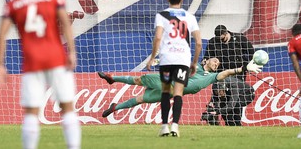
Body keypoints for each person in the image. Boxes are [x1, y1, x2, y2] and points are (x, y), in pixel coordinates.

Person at [0, 0, 80, 149]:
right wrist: (72, 52)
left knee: (31, 113)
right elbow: (65, 24)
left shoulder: (14, 3)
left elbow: (1, 35)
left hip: (32, 62)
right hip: (57, 58)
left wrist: (0, 64)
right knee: (67, 107)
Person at [98, 56, 259, 117]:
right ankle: (113, 78)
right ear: (207, 60)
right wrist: (158, 62)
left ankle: (115, 108)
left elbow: (225, 74)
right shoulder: (194, 66)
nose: (217, 64)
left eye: (218, 64)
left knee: (141, 99)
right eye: (215, 60)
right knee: (140, 80)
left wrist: (242, 69)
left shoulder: (211, 77)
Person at [146, 0, 201, 137]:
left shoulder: (162, 15)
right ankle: (175, 126)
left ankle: (164, 126)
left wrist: (152, 58)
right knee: (178, 93)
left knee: (165, 91)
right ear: (182, 0)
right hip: (183, 60)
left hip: (166, 60)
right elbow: (198, 42)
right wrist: (194, 62)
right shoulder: (190, 17)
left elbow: (157, 37)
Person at [203, 24, 255, 126]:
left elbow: (252, 52)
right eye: (219, 39)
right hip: (221, 75)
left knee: (235, 99)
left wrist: (247, 65)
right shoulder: (213, 42)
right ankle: (227, 121)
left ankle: (236, 122)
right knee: (222, 97)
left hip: (238, 74)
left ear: (226, 33)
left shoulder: (240, 38)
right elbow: (207, 58)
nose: (220, 40)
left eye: (222, 38)